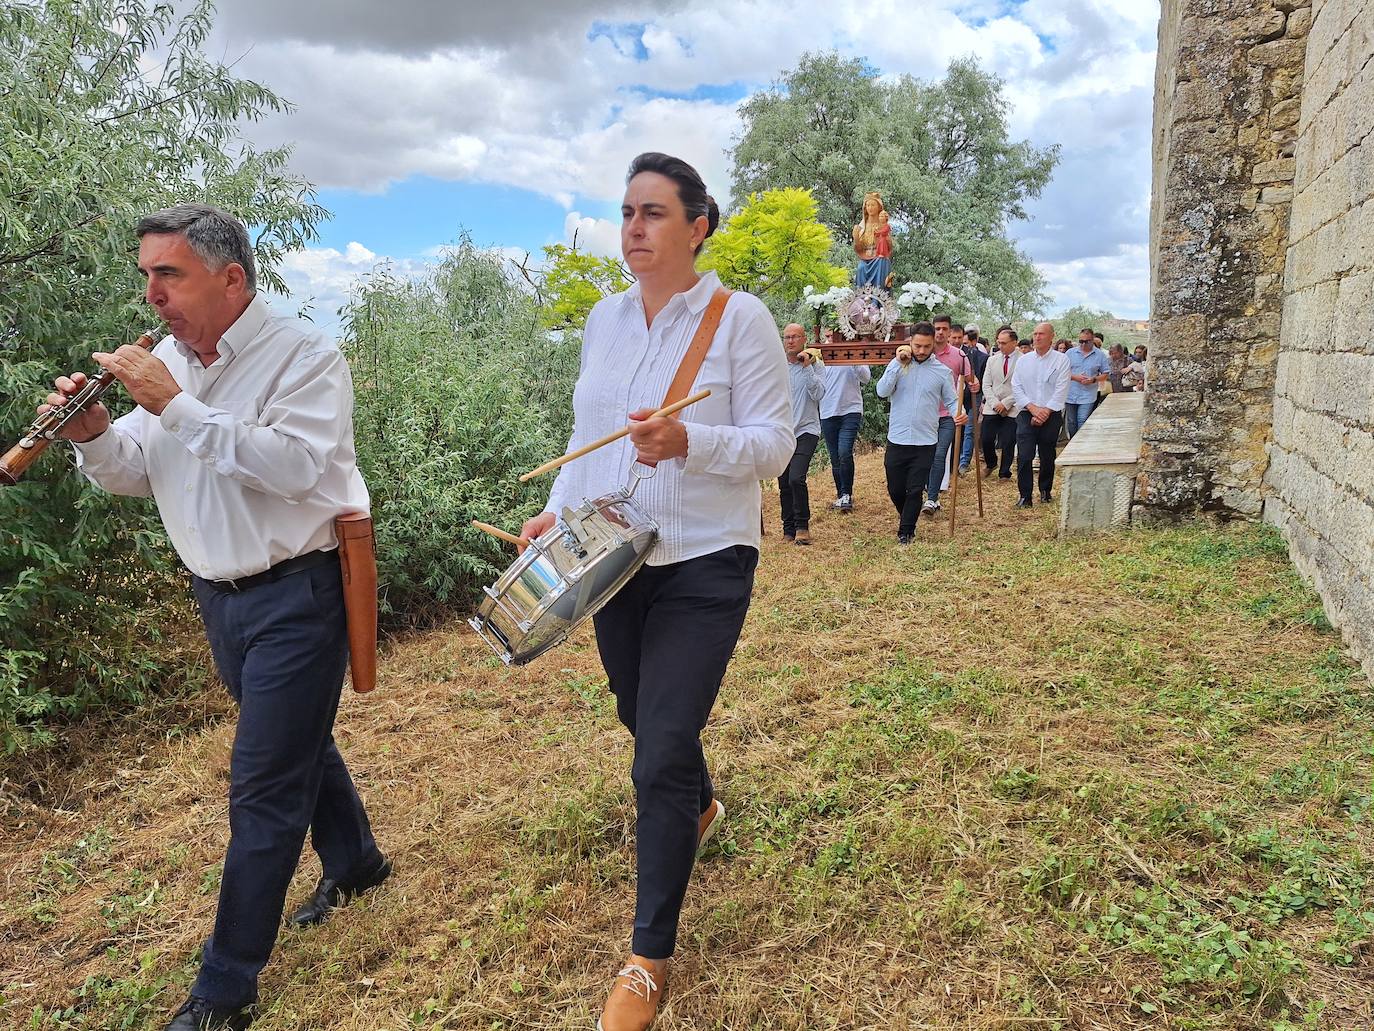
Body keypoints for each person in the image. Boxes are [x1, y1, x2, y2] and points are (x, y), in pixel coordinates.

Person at [42, 204, 389, 1031]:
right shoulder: (168, 360)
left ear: (230, 278)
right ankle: (358, 862)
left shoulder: (305, 355)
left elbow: (299, 470)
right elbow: (138, 469)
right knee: (300, 741)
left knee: (263, 788)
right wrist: (94, 435)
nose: (153, 295)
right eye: (147, 276)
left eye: (170, 274)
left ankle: (223, 990)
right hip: (219, 599)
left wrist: (176, 407)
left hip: (298, 594)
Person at [518, 152, 792, 1031]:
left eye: (653, 213)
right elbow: (587, 437)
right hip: (613, 555)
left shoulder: (737, 317)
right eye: (627, 211)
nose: (633, 228)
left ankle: (647, 958)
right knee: (642, 716)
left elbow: (776, 445)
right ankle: (700, 803)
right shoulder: (603, 319)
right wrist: (554, 516)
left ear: (697, 226)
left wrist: (691, 445)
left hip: (708, 557)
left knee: (658, 743)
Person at [875, 324, 961, 543]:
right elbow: (882, 391)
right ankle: (907, 516)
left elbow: (951, 400)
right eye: (917, 346)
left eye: (927, 346)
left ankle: (906, 531)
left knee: (914, 490)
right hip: (898, 438)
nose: (922, 351)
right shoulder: (897, 365)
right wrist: (896, 364)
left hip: (925, 441)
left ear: (934, 344)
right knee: (895, 489)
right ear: (910, 342)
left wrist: (959, 414)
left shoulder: (941, 372)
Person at [1011, 321, 1071, 507]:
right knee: (1025, 455)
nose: (1037, 337)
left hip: (1050, 414)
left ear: (1051, 336)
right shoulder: (1023, 360)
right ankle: (1025, 495)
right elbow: (1016, 386)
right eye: (1035, 333)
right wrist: (1032, 408)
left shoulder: (1061, 360)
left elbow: (1061, 389)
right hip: (1026, 412)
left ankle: (1045, 490)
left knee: (1047, 454)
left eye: (1041, 334)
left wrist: (1045, 410)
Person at [922, 314, 977, 513]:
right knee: (924, 455)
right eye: (937, 328)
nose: (941, 332)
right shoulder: (921, 352)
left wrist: (974, 382)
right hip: (925, 414)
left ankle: (932, 498)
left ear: (950, 331)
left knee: (939, 454)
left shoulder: (959, 356)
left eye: (945, 329)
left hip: (947, 414)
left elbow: (969, 377)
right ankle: (927, 489)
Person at [779, 323, 824, 544]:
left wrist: (807, 367)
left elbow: (818, 394)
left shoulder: (816, 365)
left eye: (795, 337)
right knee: (784, 481)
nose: (790, 341)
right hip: (782, 431)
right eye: (787, 337)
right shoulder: (777, 366)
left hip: (807, 429)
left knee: (796, 478)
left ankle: (802, 526)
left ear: (804, 339)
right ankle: (788, 529)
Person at [820, 358, 871, 512]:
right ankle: (841, 495)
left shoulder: (852, 353)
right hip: (828, 412)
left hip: (851, 410)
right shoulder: (820, 358)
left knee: (844, 452)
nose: (831, 338)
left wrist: (854, 361)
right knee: (835, 457)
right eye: (828, 335)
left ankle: (847, 494)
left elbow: (866, 378)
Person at [980, 326, 1021, 479]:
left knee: (1009, 440)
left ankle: (1005, 471)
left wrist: (1006, 403)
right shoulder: (992, 360)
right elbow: (986, 384)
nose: (1000, 346)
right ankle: (991, 463)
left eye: (1004, 343)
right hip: (993, 405)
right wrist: (995, 403)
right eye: (999, 343)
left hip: (1013, 406)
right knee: (986, 438)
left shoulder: (1023, 360)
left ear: (1014, 342)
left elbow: (1023, 385)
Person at [1065, 328, 1110, 438]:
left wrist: (1093, 379)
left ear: (1092, 340)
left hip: (1088, 394)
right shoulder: (1070, 353)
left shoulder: (1100, 355)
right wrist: (1075, 377)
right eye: (1081, 341)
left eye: (1086, 341)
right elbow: (1061, 372)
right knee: (1071, 422)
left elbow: (1105, 373)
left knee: (1082, 420)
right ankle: (1072, 443)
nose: (1083, 344)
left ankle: (1080, 445)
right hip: (1070, 393)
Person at [957, 326, 989, 473]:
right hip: (958, 396)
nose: (964, 346)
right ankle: (956, 460)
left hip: (974, 397)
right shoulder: (958, 354)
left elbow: (983, 380)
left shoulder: (983, 359)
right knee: (957, 428)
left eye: (966, 343)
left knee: (970, 429)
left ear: (974, 342)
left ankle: (964, 462)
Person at [852, 191, 892, 290]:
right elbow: (859, 248)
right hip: (866, 258)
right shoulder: (862, 227)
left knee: (881, 262)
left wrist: (884, 238)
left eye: (873, 205)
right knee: (861, 268)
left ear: (879, 207)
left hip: (879, 256)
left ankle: (878, 301)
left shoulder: (883, 225)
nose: (870, 208)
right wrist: (856, 238)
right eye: (868, 205)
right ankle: (861, 301)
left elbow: (889, 245)